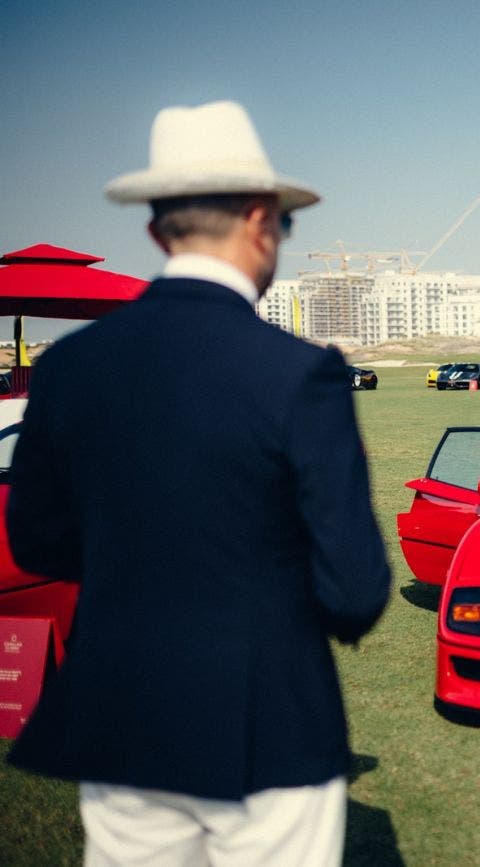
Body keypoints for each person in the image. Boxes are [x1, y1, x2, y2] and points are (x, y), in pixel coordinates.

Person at [5, 101, 392, 864]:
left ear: (156, 231)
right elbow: (355, 585)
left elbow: (35, 536)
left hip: (120, 705)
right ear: (260, 219)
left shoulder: (71, 368)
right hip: (270, 714)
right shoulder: (300, 373)